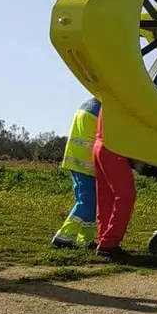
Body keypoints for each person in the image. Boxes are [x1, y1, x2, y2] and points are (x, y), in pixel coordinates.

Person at [51, 97, 101, 248]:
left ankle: (85, 239)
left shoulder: (89, 105)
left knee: (90, 201)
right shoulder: (101, 109)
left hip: (76, 160)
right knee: (87, 201)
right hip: (86, 163)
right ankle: (63, 236)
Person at [92, 105, 136, 260]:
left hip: (100, 145)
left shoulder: (110, 95)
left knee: (106, 197)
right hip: (113, 147)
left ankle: (103, 239)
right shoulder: (127, 96)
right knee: (125, 196)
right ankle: (109, 243)